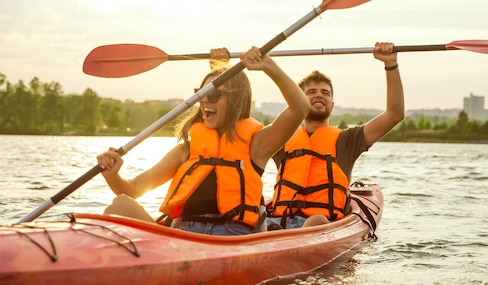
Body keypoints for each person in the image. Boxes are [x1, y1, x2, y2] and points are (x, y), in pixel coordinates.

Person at [96, 46, 310, 236]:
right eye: (202, 94)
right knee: (121, 205)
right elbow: (133, 189)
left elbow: (300, 108)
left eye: (214, 95)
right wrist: (112, 175)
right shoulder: (186, 151)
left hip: (228, 239)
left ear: (236, 101)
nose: (205, 99)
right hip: (181, 235)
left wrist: (268, 66)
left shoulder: (257, 146)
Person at [267, 41, 404, 229]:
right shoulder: (281, 138)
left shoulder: (347, 140)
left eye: (325, 92)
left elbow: (394, 114)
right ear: (297, 101)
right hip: (277, 222)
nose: (319, 95)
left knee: (317, 221)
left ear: (332, 105)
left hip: (320, 224)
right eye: (311, 92)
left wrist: (390, 64)